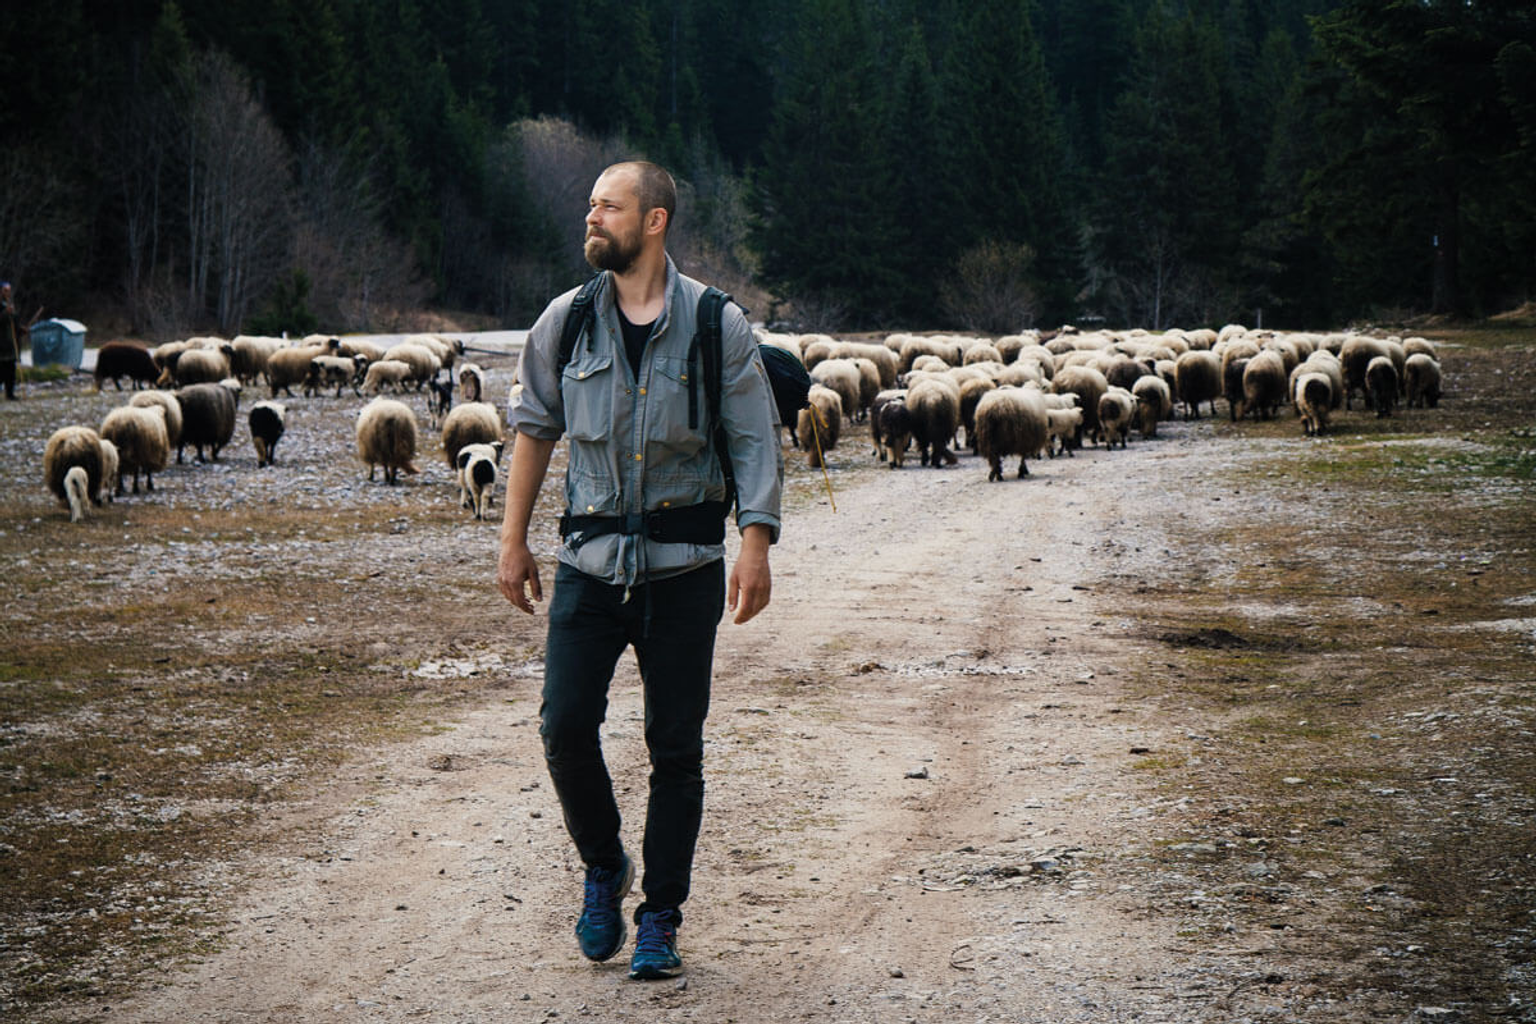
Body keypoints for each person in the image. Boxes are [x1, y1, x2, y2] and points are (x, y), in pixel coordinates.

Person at [497, 161, 783, 980]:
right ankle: (604, 866)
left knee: (675, 748)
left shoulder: (715, 324)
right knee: (563, 727)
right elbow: (534, 429)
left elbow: (754, 438)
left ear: (654, 221)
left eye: (609, 207)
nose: (591, 218)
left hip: (684, 569)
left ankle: (660, 917)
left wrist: (756, 543)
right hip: (587, 568)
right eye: (590, 205)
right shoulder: (564, 322)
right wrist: (512, 540)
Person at [0, 281, 25, 400]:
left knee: (11, 371)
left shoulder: (10, 305)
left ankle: (10, 394)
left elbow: (14, 324)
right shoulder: (3, 307)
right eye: (5, 290)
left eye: (9, 291)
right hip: (1, 345)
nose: (7, 293)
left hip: (11, 345)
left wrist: (21, 330)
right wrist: (6, 313)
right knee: (1, 372)